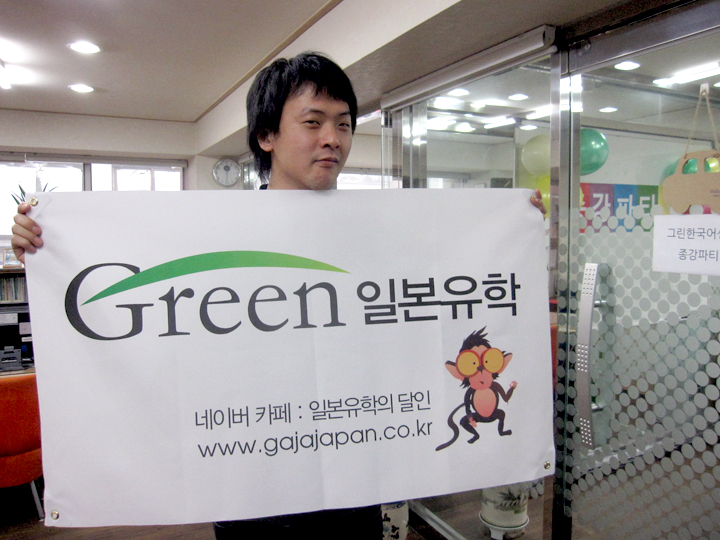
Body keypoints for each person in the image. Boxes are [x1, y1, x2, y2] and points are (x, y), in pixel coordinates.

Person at [10, 52, 546, 538]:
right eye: (313, 122)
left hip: (354, 480)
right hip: (251, 486)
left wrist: (512, 230)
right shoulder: (214, 236)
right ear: (266, 135)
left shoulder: (384, 235)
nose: (332, 138)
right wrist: (46, 243)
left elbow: (442, 293)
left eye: (343, 123)